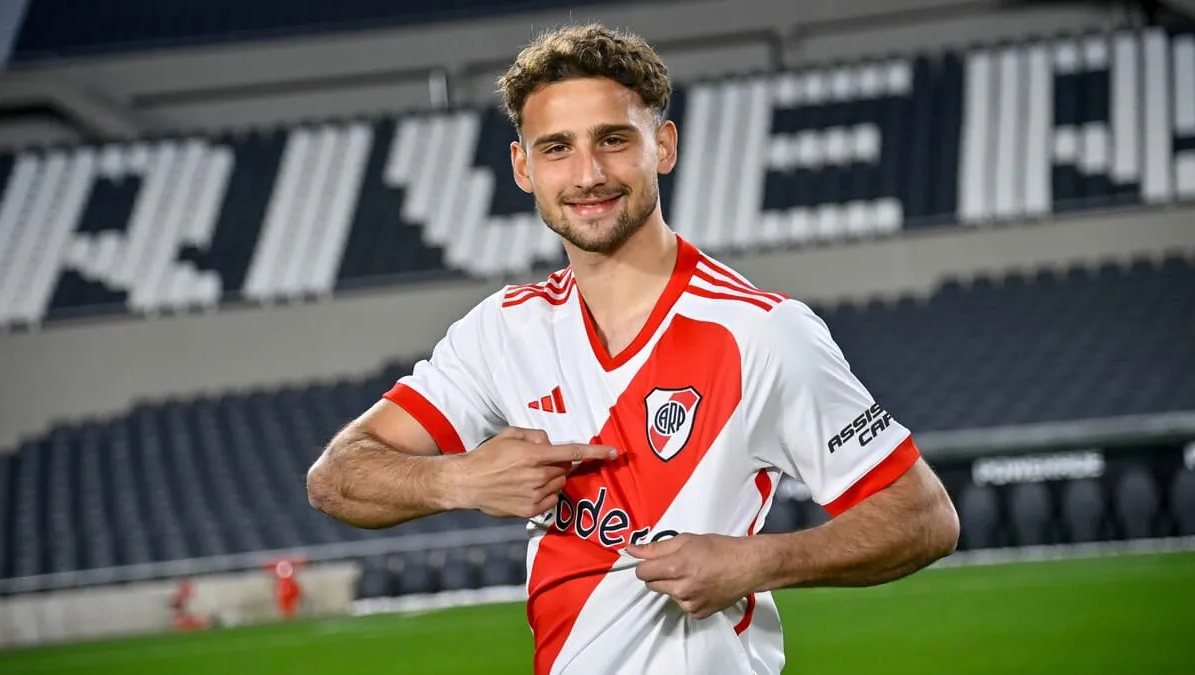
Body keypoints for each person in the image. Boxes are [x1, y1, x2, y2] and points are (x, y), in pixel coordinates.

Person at [306, 23, 959, 675]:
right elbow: (336, 477)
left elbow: (924, 517)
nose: (588, 174)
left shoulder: (761, 332)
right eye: (556, 148)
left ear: (663, 146)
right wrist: (459, 479)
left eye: (614, 140)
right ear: (523, 168)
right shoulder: (503, 330)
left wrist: (757, 561)